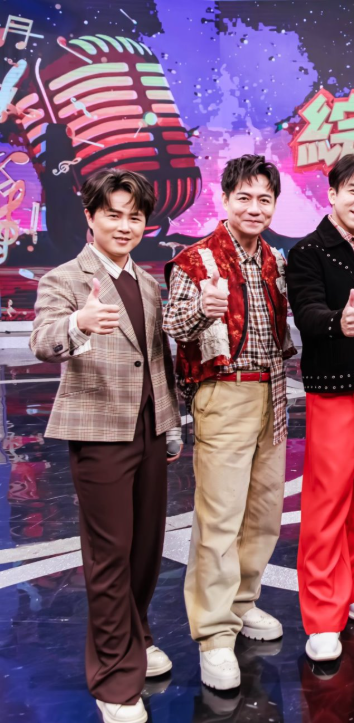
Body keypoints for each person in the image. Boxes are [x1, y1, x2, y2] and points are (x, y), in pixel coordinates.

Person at [30, 169, 180, 723]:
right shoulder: (66, 278)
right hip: (99, 434)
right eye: (112, 214)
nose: (124, 225)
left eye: (134, 217)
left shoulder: (149, 284)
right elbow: (43, 340)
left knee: (146, 549)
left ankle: (136, 637)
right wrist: (79, 322)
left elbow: (158, 361)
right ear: (90, 217)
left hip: (151, 429)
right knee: (110, 553)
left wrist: (172, 424)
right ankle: (114, 678)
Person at [164, 154, 296, 690]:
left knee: (263, 515)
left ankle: (242, 604)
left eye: (265, 198)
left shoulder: (276, 261)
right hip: (223, 394)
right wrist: (205, 308)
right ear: (224, 200)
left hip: (274, 393)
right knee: (219, 519)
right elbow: (173, 324)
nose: (254, 207)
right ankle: (215, 635)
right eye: (244, 197)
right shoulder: (195, 260)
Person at [286, 153, 354, 662]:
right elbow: (306, 310)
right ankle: (322, 615)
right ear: (332, 193)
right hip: (335, 389)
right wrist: (337, 322)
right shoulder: (309, 250)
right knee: (327, 502)